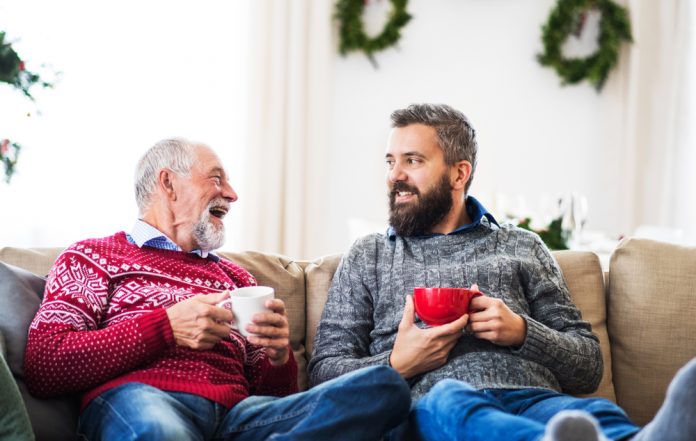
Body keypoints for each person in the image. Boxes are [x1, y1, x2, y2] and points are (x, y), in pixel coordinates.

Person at [308, 103, 696, 441]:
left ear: (459, 174)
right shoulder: (369, 254)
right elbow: (323, 373)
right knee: (452, 402)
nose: (395, 175)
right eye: (391, 161)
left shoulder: (522, 246)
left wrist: (524, 333)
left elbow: (588, 366)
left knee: (590, 416)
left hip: (533, 398)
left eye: (413, 160)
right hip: (429, 405)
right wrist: (397, 363)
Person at [24, 138, 410, 440]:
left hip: (240, 419)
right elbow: (45, 364)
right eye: (216, 178)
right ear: (168, 183)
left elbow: (276, 400)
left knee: (384, 387)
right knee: (161, 433)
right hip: (143, 398)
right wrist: (165, 327)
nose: (232, 193)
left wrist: (277, 356)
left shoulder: (239, 278)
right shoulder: (93, 256)